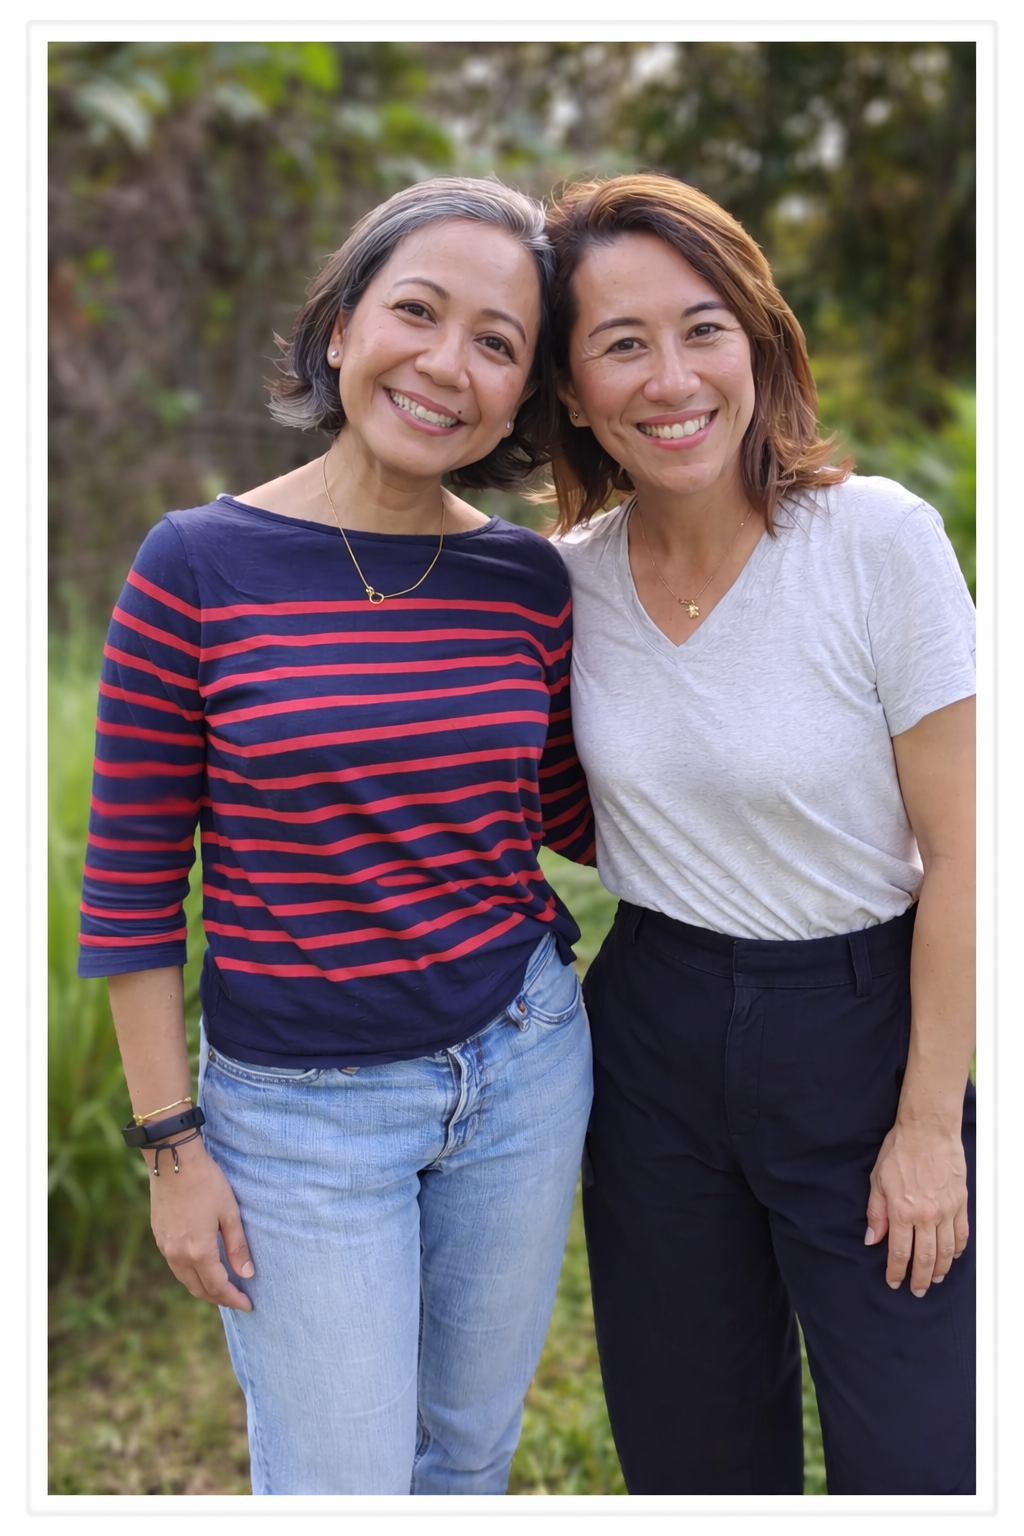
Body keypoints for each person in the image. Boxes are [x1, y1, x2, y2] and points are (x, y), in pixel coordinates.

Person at [77, 176, 595, 1496]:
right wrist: (170, 1150)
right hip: (300, 1118)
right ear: (344, 322)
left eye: (498, 343)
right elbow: (133, 883)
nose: (447, 364)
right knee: (339, 1484)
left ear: (523, 392)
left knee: (469, 1455)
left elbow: (573, 810)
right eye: (417, 312)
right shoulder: (194, 565)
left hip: (521, 1067)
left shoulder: (527, 580)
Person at [545, 174, 976, 1496]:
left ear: (760, 343)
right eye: (621, 343)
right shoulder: (563, 582)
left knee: (923, 1455)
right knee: (691, 1455)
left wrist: (927, 1126)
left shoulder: (877, 541)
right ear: (570, 391)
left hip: (867, 1019)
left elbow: (970, 849)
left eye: (703, 327)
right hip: (656, 1030)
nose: (670, 377)